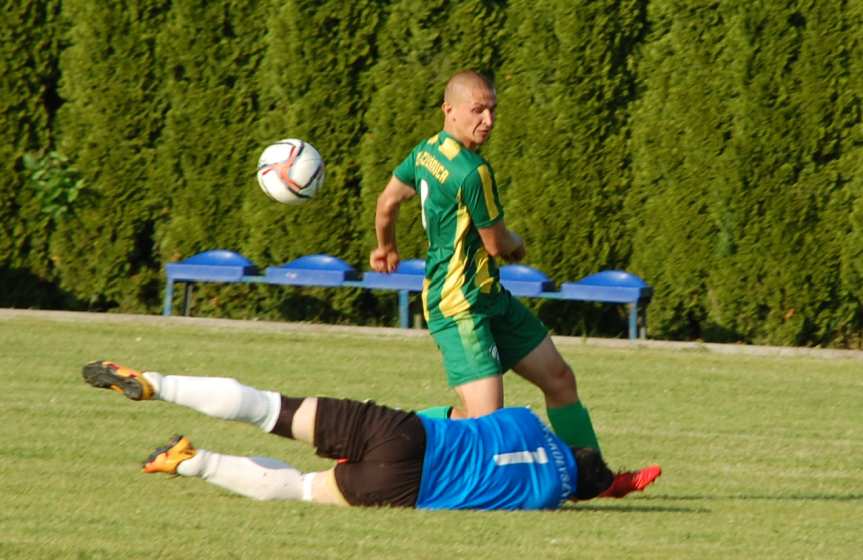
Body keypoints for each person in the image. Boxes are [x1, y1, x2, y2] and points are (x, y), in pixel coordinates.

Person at [369, 70, 658, 496]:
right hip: (458, 305)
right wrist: (517, 244)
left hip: (489, 297)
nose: (487, 119)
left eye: (492, 110)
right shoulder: (473, 172)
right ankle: (379, 440)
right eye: (477, 110)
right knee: (485, 422)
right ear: (449, 110)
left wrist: (385, 247)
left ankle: (597, 481)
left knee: (559, 379)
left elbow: (387, 201)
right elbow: (497, 243)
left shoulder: (426, 151)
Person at [81, 361, 660, 510]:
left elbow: (459, 417)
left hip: (406, 433)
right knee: (301, 489)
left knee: (268, 409)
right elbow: (589, 484)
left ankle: (155, 382)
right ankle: (190, 461)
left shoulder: (529, 422)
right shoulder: (545, 498)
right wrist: (615, 486)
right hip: (401, 485)